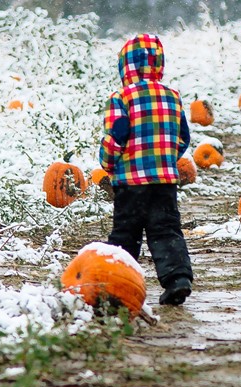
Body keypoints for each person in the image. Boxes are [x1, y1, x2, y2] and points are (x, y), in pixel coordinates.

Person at [99, 33, 194, 306]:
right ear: (159, 65)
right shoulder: (172, 97)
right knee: (165, 229)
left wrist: (107, 162)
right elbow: (182, 137)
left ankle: (117, 286)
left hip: (130, 182)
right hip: (164, 180)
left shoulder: (121, 98)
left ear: (125, 67)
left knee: (125, 233)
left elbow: (115, 137)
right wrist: (165, 158)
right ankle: (178, 279)